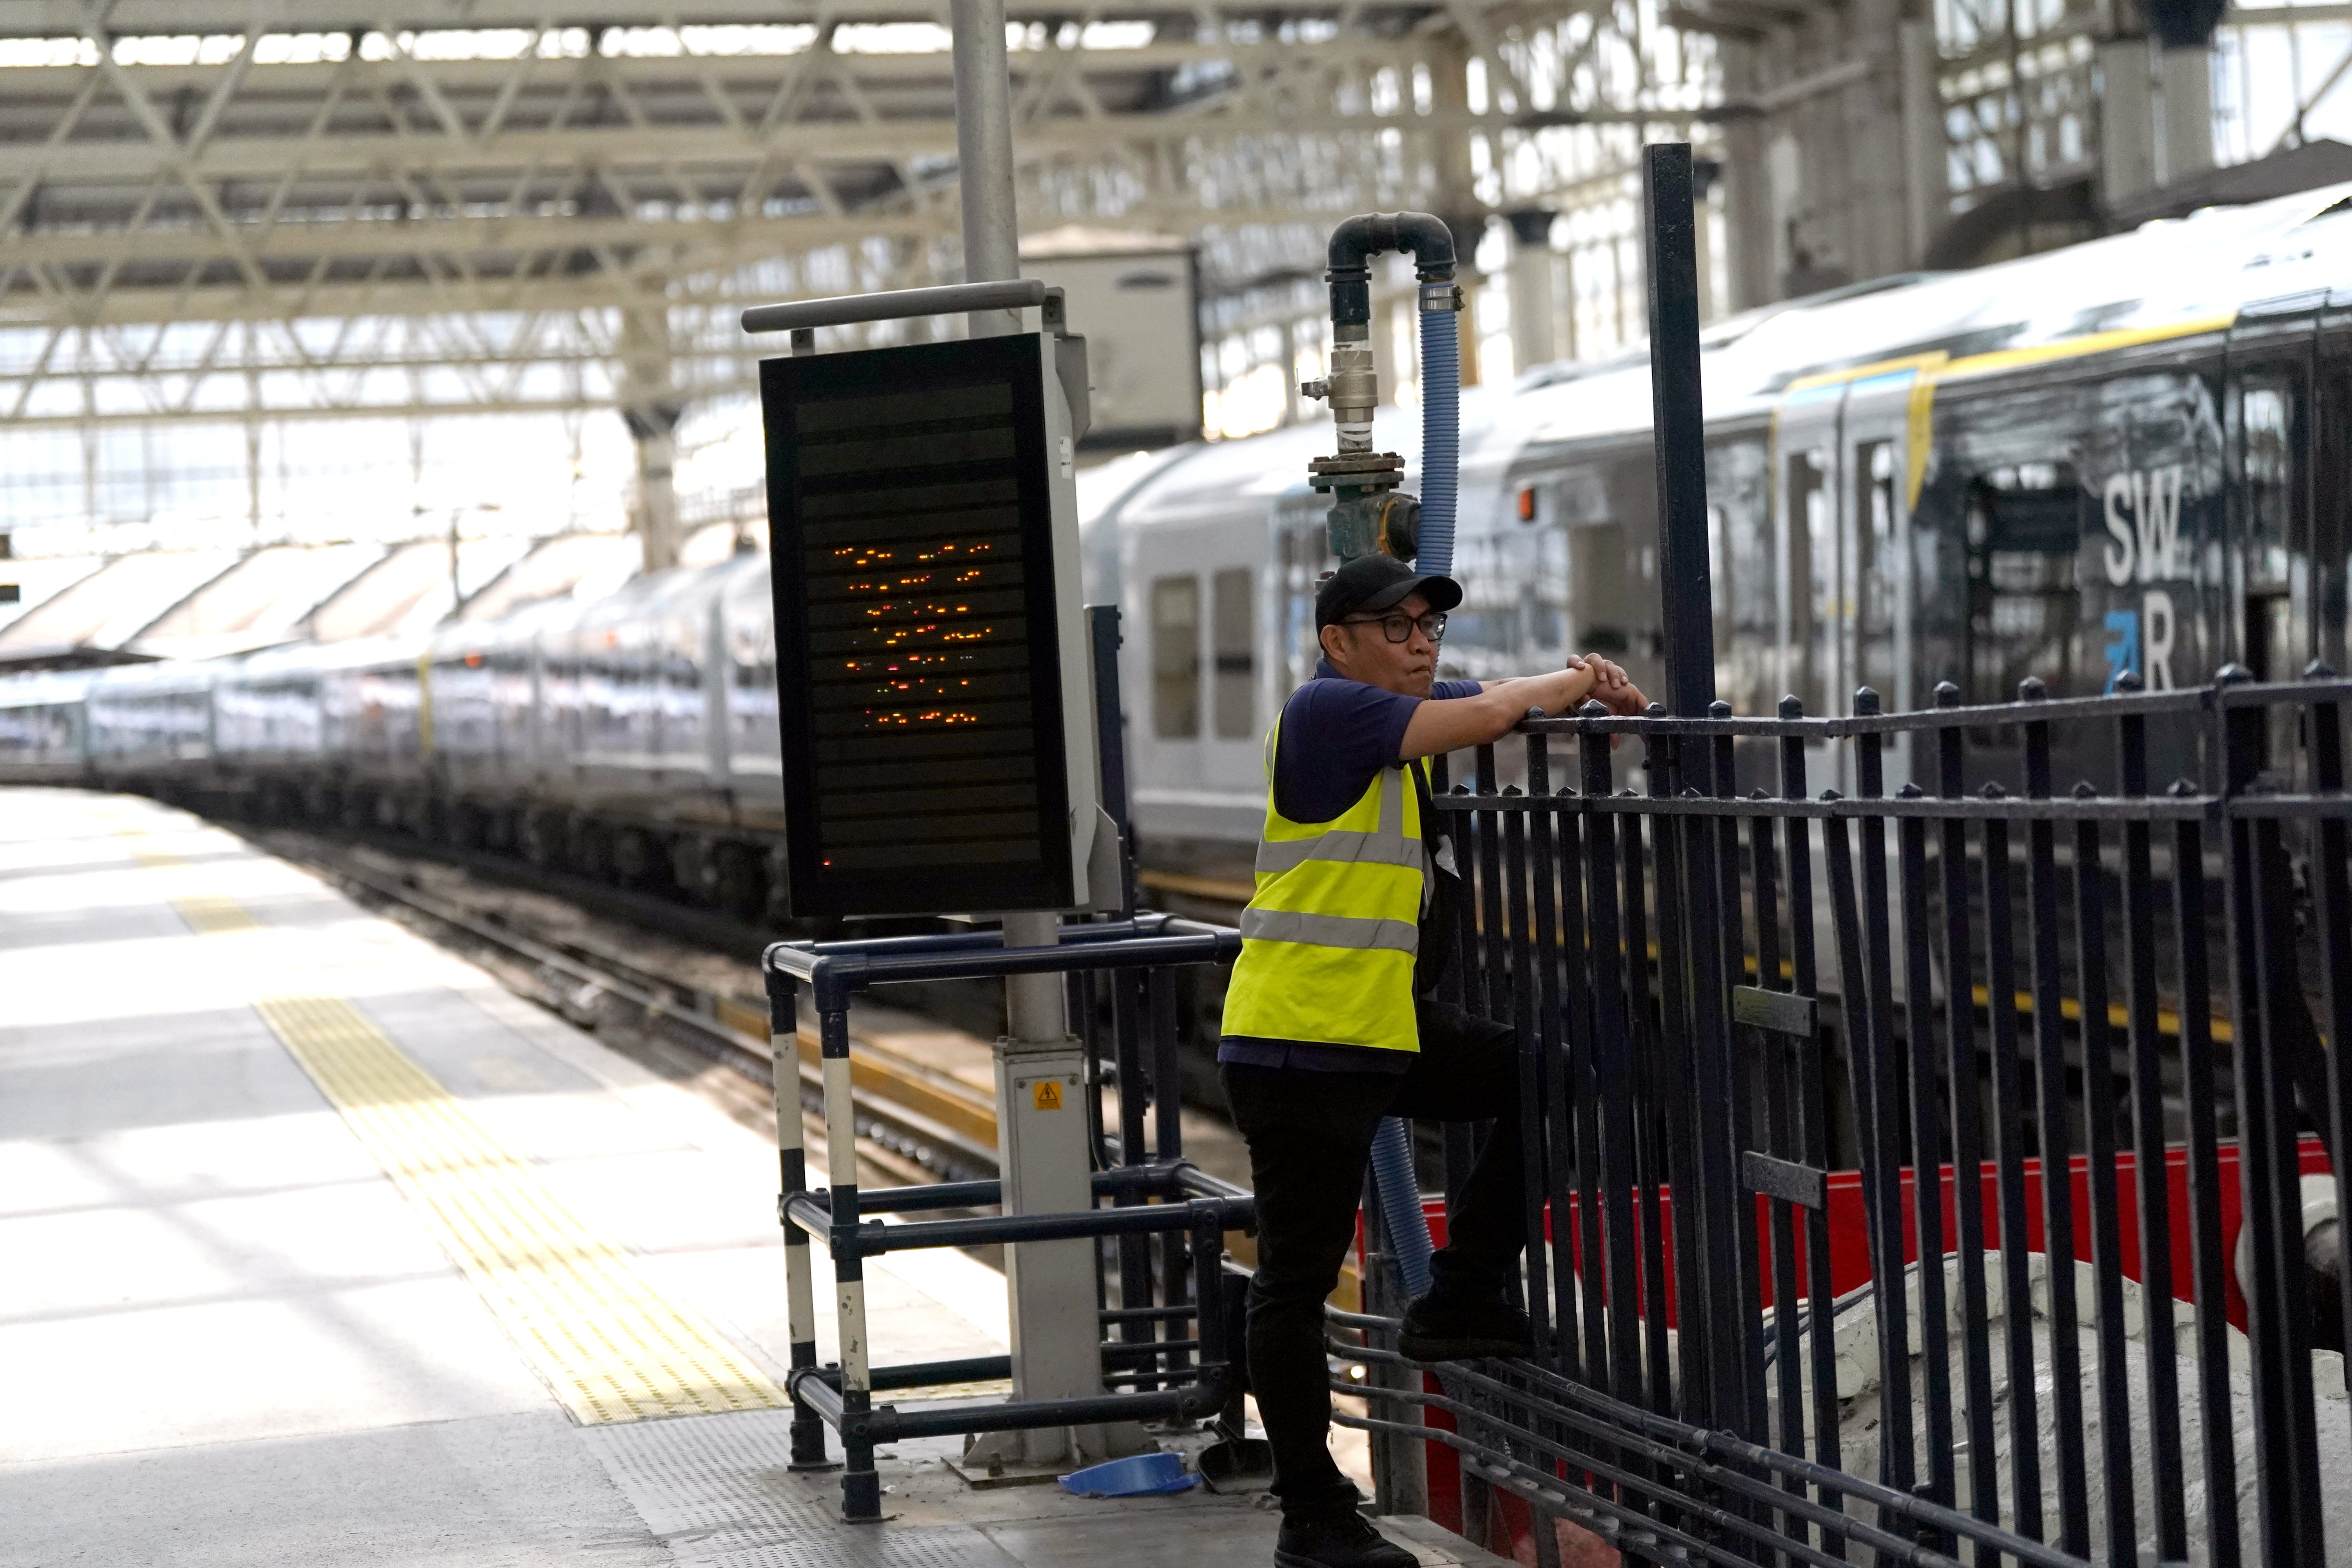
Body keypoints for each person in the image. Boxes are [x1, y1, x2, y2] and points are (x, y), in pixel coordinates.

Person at [1218, 552, 1648, 1568]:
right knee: (1296, 1278)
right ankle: (1313, 1519)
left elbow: (1495, 702)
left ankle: (1460, 1291)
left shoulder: (1396, 719)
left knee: (1550, 1074)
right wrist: (1578, 681)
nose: (1420, 644)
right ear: (1338, 642)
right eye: (1398, 627)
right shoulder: (1331, 712)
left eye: (1429, 629)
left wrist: (1603, 705)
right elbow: (1491, 715)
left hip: (1371, 1035)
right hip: (1299, 1044)